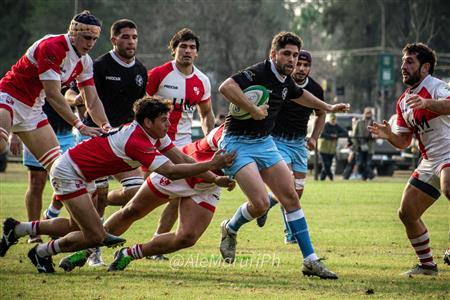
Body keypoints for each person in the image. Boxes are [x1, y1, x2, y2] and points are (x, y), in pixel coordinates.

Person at [0, 97, 235, 273]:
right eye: (164, 120)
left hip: (81, 173)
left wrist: (214, 177)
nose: (168, 124)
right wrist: (213, 163)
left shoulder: (152, 133)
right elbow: (171, 171)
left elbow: (181, 158)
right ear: (148, 121)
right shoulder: (136, 141)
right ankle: (41, 252)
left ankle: (18, 229)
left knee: (75, 225)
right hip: (69, 172)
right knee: (95, 235)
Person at [218, 31, 349, 279]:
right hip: (237, 143)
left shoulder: (286, 79)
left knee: (291, 197)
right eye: (287, 54)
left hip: (264, 143)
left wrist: (328, 107)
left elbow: (301, 95)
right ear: (273, 54)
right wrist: (253, 109)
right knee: (261, 204)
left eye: (296, 55)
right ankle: (230, 228)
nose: (292, 59)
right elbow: (226, 87)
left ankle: (310, 260)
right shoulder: (259, 72)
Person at [42, 18, 149, 267]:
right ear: (113, 40)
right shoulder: (98, 65)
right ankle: (93, 249)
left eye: (134, 37)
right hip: (95, 139)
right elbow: (67, 92)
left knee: (134, 191)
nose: (130, 41)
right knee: (96, 199)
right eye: (125, 37)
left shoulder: (141, 71)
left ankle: (77, 202)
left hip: (124, 143)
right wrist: (76, 99)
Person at [58, 124, 234, 272]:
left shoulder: (261, 139)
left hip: (209, 185)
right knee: (131, 211)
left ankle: (129, 254)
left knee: (187, 237)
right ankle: (88, 249)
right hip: (185, 169)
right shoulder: (229, 131)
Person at [368, 43, 450, 276]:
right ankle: (427, 266)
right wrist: (389, 135)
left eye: (410, 62)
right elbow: (404, 142)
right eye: (403, 61)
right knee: (407, 212)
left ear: (425, 68)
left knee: (449, 187)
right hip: (428, 161)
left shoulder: (436, 87)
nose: (403, 66)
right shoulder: (404, 101)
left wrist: (427, 103)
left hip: (449, 151)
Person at [0, 10, 109, 176]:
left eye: (95, 39)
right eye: (87, 38)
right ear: (73, 34)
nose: (91, 43)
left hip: (34, 110)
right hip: (10, 97)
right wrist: (79, 125)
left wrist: (106, 126)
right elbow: (53, 94)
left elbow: (92, 100)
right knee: (1, 145)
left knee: (62, 173)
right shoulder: (53, 46)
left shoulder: (85, 62)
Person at [145, 28, 215, 260]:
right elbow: (138, 105)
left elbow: (206, 114)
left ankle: (157, 244)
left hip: (183, 146)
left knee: (177, 196)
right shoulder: (158, 74)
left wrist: (208, 139)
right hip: (153, 143)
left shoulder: (202, 81)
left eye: (192, 47)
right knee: (134, 193)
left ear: (197, 53)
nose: (187, 51)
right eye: (183, 46)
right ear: (173, 49)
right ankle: (98, 225)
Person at [255, 50, 327, 245]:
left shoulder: (315, 89)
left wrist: (314, 138)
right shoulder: (282, 84)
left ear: (310, 67)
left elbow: (321, 113)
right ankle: (290, 234)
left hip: (299, 144)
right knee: (286, 186)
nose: (301, 68)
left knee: (296, 192)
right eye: (299, 64)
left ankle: (266, 204)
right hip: (277, 141)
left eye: (306, 65)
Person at [8, 88, 77, 244]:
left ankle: (51, 214)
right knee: (36, 182)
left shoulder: (74, 69)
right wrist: (14, 132)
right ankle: (34, 233)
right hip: (34, 131)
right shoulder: (38, 67)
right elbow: (17, 97)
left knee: (69, 181)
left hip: (66, 133)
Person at [318, 114, 347, 181]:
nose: (333, 121)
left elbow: (345, 133)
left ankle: (322, 179)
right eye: (332, 120)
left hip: (331, 150)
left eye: (334, 120)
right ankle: (331, 178)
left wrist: (337, 135)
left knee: (327, 165)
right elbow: (322, 134)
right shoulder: (325, 125)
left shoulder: (337, 126)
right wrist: (331, 136)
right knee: (326, 165)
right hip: (323, 149)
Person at [353, 107, 375, 180]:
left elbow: (376, 134)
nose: (368, 114)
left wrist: (372, 136)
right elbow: (354, 134)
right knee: (360, 163)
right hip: (360, 146)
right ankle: (371, 175)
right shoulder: (359, 122)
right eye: (367, 113)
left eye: (369, 113)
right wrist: (356, 145)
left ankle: (364, 177)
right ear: (364, 113)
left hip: (369, 146)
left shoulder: (374, 123)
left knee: (368, 163)